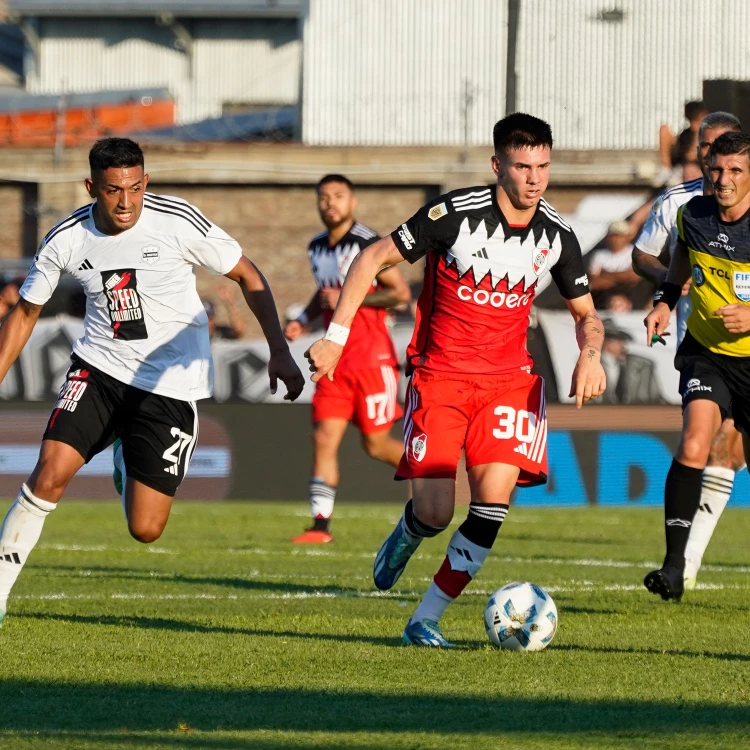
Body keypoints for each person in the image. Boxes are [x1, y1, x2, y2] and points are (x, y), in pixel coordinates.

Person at [306, 113, 605, 646]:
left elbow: (588, 314)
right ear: (498, 166)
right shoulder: (454, 215)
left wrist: (591, 354)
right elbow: (372, 257)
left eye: (543, 166)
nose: (534, 178)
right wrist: (336, 334)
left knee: (490, 507)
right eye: (522, 166)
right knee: (437, 512)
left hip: (509, 384)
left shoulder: (558, 235)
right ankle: (410, 529)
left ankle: (426, 617)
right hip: (440, 378)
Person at [0, 137, 304, 626]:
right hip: (98, 369)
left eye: (135, 188)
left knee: (146, 529)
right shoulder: (65, 238)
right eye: (113, 190)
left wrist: (280, 352)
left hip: (168, 384)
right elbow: (25, 314)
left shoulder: (178, 221)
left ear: (146, 183)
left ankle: (124, 452)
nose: (126, 202)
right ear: (91, 187)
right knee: (49, 471)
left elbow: (249, 276)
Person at [634, 111, 743, 590]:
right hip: (707, 352)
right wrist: (664, 300)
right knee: (695, 442)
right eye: (717, 169)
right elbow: (677, 260)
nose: (723, 180)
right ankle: (675, 568)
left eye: (736, 171)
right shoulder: (690, 212)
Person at [285, 174, 410, 543]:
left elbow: (398, 295)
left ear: (352, 202)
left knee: (375, 444)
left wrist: (347, 298)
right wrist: (303, 320)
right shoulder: (317, 248)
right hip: (332, 362)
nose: (330, 203)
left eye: (338, 196)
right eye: (323, 197)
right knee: (324, 437)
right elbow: (321, 294)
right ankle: (320, 526)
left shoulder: (369, 244)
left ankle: (432, 476)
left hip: (371, 360)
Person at [587, 220, 648, 308]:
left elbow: (633, 277)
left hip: (631, 298)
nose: (616, 239)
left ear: (627, 237)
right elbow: (594, 282)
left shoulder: (635, 253)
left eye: (620, 236)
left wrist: (604, 274)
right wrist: (623, 279)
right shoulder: (598, 255)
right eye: (613, 236)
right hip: (604, 300)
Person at [658, 101, 709, 185]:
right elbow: (688, 156)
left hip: (700, 170)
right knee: (663, 129)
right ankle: (666, 171)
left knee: (691, 169)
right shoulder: (687, 134)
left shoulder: (714, 133)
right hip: (682, 168)